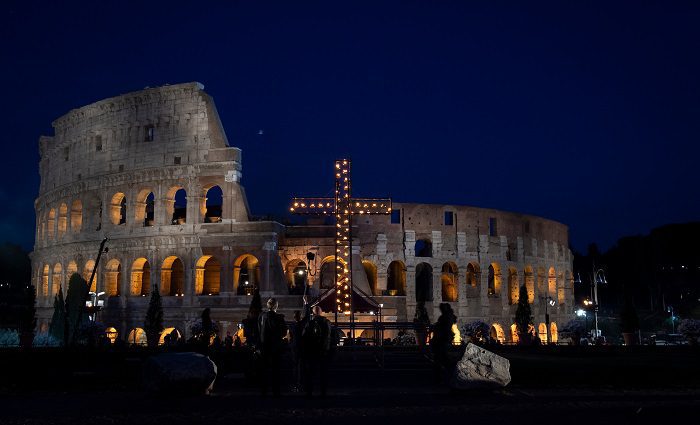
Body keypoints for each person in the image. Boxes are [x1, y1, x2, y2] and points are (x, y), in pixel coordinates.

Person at [258, 297, 287, 396]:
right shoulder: (279, 317)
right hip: (275, 346)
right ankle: (276, 391)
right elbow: (283, 332)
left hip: (264, 346)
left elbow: (259, 331)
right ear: (276, 306)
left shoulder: (261, 316)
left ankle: (264, 391)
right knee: (276, 370)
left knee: (264, 370)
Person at [302, 305, 333, 397]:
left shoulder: (310, 323)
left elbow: (304, 337)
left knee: (310, 373)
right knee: (323, 373)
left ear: (313, 313)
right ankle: (323, 392)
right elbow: (329, 336)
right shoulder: (326, 322)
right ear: (321, 312)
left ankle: (309, 392)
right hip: (323, 351)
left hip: (312, 351)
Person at [430, 302, 456, 384]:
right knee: (442, 357)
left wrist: (437, 327)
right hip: (443, 339)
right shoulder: (448, 316)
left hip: (441, 339)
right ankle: (445, 375)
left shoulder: (446, 317)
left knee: (441, 358)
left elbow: (443, 327)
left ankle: (442, 377)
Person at [289, 310, 306, 392]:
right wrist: (306, 304)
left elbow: (290, 338)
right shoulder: (303, 324)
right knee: (301, 367)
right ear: (300, 317)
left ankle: (295, 385)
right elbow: (306, 317)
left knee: (295, 367)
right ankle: (300, 384)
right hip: (302, 347)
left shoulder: (292, 326)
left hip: (294, 347)